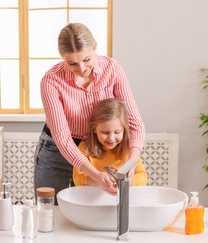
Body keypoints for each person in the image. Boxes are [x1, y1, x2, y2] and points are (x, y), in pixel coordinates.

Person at [34, 22, 145, 203]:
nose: (82, 69)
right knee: (50, 209)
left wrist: (131, 164)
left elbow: (135, 124)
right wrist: (95, 175)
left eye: (87, 60)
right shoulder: (51, 81)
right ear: (62, 58)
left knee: (92, 209)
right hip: (58, 151)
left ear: (95, 47)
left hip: (99, 148)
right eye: (72, 63)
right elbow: (62, 137)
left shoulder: (113, 70)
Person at [73, 98, 147, 189]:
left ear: (124, 130)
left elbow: (142, 176)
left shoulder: (129, 149)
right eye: (105, 132)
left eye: (117, 132)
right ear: (94, 129)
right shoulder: (85, 148)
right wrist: (101, 183)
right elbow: (77, 179)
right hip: (93, 199)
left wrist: (128, 182)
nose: (111, 138)